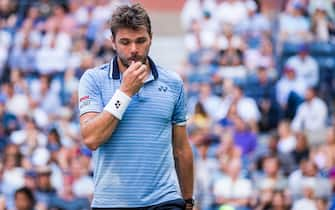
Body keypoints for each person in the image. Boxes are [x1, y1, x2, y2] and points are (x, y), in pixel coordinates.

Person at [78, 3, 194, 210]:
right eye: (125, 42)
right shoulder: (93, 79)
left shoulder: (173, 82)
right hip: (111, 203)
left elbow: (182, 148)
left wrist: (188, 200)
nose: (133, 49)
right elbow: (91, 138)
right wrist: (125, 92)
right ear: (112, 42)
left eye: (141, 41)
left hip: (164, 200)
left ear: (151, 38)